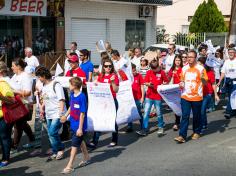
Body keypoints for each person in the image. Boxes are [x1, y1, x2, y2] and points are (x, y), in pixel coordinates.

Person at [174, 50, 208, 143]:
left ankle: (196, 131)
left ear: (195, 58)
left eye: (191, 57)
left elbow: (205, 83)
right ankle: (182, 136)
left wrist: (202, 79)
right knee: (185, 116)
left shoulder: (201, 68)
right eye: (188, 57)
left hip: (197, 97)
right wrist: (181, 83)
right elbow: (182, 80)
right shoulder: (184, 68)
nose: (189, 59)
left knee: (196, 116)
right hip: (185, 96)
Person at [35, 66, 66, 161]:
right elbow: (45, 99)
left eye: (39, 77)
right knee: (50, 134)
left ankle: (60, 149)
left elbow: (62, 99)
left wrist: (61, 113)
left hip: (57, 113)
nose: (39, 79)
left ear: (44, 76)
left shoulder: (56, 85)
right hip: (49, 113)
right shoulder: (44, 86)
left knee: (52, 132)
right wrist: (42, 109)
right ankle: (55, 150)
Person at [61, 77, 90, 174]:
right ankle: (86, 157)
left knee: (74, 145)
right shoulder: (72, 94)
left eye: (69, 85)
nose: (68, 86)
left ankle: (69, 166)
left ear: (74, 86)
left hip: (79, 126)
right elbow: (71, 107)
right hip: (73, 123)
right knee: (80, 141)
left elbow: (82, 114)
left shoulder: (82, 97)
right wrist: (65, 115)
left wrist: (80, 128)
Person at [87, 58, 119, 148]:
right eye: (106, 66)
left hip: (112, 102)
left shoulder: (114, 76)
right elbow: (95, 85)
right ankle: (95, 141)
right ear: (103, 67)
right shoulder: (101, 76)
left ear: (112, 66)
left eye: (109, 66)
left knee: (112, 121)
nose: (108, 67)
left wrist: (112, 82)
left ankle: (114, 140)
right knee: (99, 120)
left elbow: (116, 90)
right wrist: (94, 84)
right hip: (102, 102)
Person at [136, 60, 169, 136]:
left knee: (159, 113)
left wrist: (163, 84)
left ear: (158, 66)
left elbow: (166, 81)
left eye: (156, 68)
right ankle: (144, 129)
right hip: (149, 96)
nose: (155, 70)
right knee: (146, 113)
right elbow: (145, 82)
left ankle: (161, 127)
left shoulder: (162, 72)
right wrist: (148, 84)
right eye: (153, 69)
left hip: (158, 96)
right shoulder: (149, 72)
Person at [10, 58, 35, 152]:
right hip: (17, 104)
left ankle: (14, 146)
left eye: (13, 66)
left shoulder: (25, 76)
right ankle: (32, 139)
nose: (11, 67)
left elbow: (28, 92)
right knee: (22, 124)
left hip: (25, 104)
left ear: (18, 67)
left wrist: (13, 92)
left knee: (18, 124)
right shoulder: (15, 76)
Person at [198, 56, 220, 132]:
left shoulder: (210, 73)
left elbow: (213, 84)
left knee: (202, 110)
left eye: (200, 63)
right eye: (198, 63)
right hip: (198, 93)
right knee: (199, 111)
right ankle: (203, 123)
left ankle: (203, 125)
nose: (198, 65)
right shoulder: (197, 71)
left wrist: (216, 95)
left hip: (207, 94)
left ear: (205, 64)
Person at [0, 62, 14, 168]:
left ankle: (5, 158)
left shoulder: (3, 83)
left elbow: (12, 100)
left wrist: (1, 97)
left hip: (3, 116)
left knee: (4, 137)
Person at [217, 48, 236, 119]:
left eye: (232, 52)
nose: (230, 53)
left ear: (235, 53)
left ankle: (228, 112)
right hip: (228, 81)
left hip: (235, 81)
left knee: (232, 96)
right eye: (229, 52)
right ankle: (233, 111)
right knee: (230, 96)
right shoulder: (226, 62)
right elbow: (223, 72)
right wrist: (219, 81)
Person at [126, 63, 145, 133]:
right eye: (132, 71)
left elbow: (142, 87)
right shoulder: (127, 77)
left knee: (139, 113)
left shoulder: (139, 76)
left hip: (138, 98)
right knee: (129, 113)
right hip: (130, 99)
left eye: (134, 70)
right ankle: (129, 126)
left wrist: (142, 97)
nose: (134, 72)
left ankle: (143, 126)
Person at [168, 55, 183, 131]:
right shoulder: (172, 69)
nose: (177, 62)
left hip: (183, 90)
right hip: (175, 91)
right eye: (176, 60)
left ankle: (182, 121)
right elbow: (168, 79)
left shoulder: (183, 69)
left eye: (179, 60)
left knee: (183, 106)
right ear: (174, 61)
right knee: (176, 107)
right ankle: (177, 123)